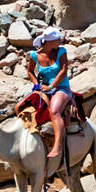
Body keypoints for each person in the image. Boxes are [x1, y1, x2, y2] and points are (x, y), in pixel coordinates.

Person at [26, 27, 73, 161]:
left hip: (61, 87)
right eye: (57, 40)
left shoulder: (61, 51)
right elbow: (30, 71)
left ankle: (57, 145)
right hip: (44, 88)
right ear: (49, 42)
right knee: (22, 106)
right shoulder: (34, 55)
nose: (59, 42)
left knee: (54, 111)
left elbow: (63, 71)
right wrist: (36, 84)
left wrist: (51, 86)